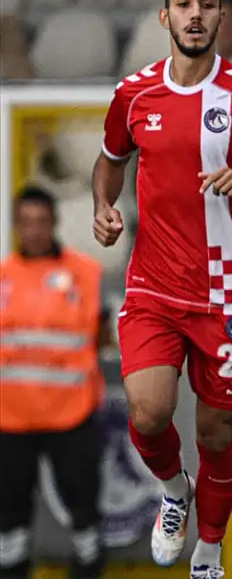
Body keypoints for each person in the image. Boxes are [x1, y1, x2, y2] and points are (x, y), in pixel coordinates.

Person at [89, 0, 232, 579]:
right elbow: (109, 161)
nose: (194, 14)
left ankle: (208, 552)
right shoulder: (134, 94)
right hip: (154, 285)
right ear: (165, 17)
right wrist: (103, 207)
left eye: (206, 4)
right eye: (183, 3)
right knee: (150, 413)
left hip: (227, 293)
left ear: (220, 18)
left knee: (216, 431)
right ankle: (173, 491)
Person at [0, 186, 109, 579]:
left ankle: (88, 567)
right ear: (15, 226)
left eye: (41, 222)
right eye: (25, 223)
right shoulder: (2, 278)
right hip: (9, 419)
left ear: (54, 223)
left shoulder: (86, 274)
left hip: (72, 414)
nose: (33, 231)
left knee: (83, 507)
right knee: (10, 513)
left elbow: (104, 334)